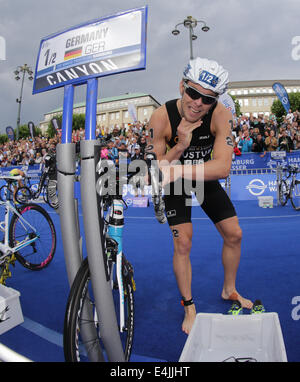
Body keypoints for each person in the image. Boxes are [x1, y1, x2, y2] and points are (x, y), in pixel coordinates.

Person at [147, 57, 253, 334]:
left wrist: (181, 169)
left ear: (215, 100)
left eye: (207, 99)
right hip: (176, 175)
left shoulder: (221, 114)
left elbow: (223, 167)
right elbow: (157, 173)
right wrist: (181, 144)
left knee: (234, 234)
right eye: (193, 93)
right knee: (183, 243)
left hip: (196, 173)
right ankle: (189, 306)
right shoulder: (160, 117)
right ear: (182, 86)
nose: (198, 103)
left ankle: (229, 289)